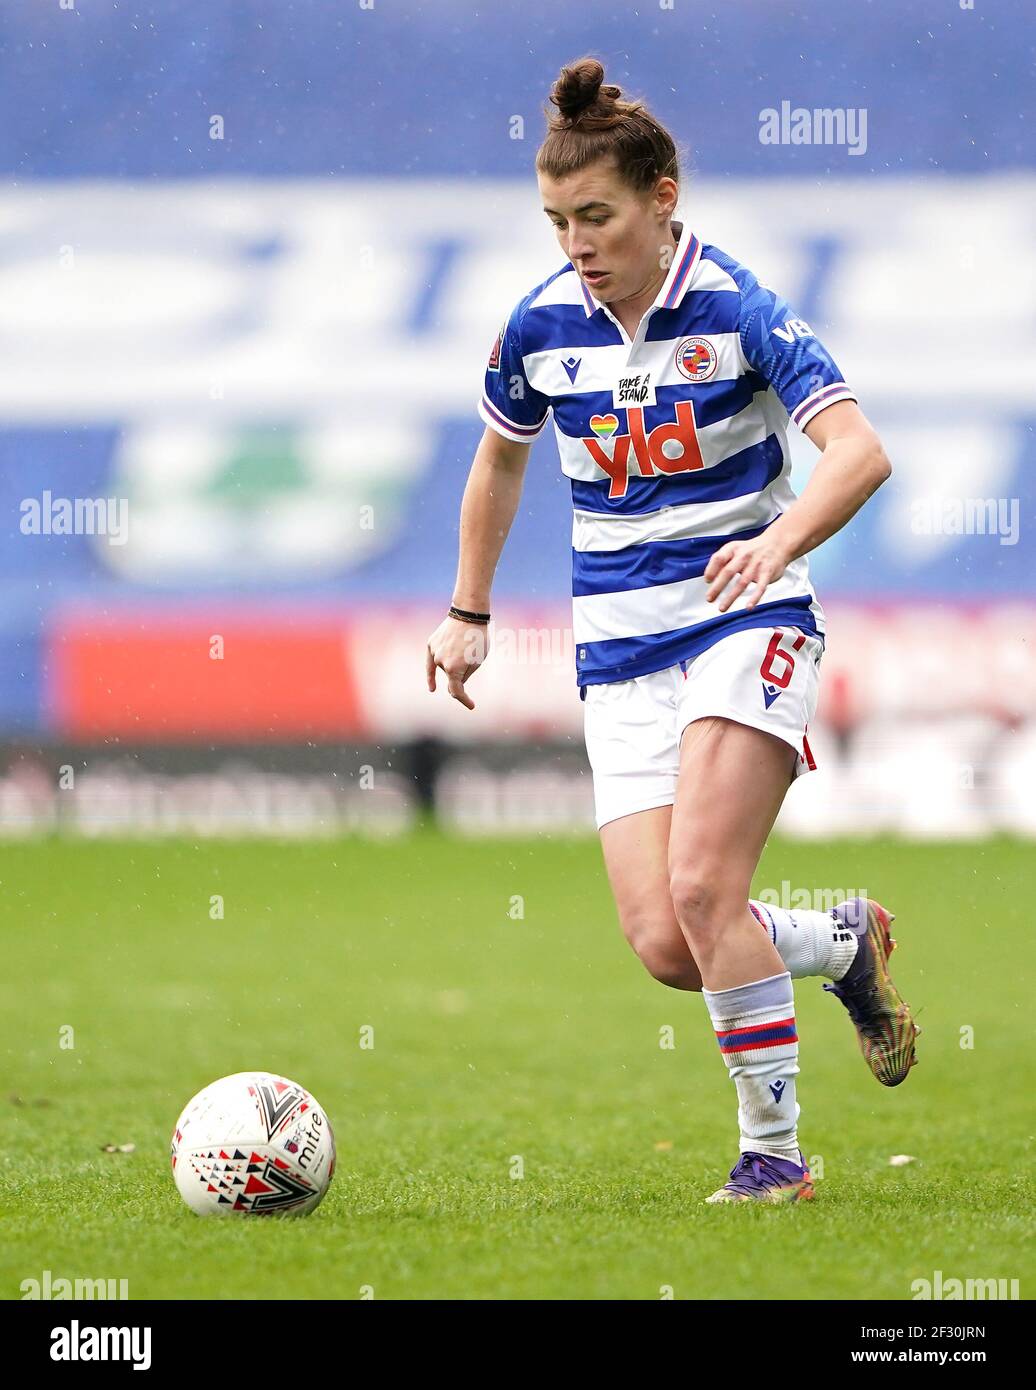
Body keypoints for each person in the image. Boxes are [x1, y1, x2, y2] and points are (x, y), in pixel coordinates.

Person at [426, 56, 918, 1203]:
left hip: (745, 622)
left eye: (594, 215)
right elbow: (500, 456)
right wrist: (466, 608)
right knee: (666, 941)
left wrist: (778, 542)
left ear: (661, 198)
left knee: (704, 887)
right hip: (619, 650)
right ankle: (841, 943)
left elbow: (860, 451)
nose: (575, 241)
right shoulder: (540, 326)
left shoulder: (738, 307)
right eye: (555, 220)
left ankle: (774, 1157)